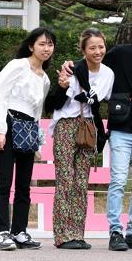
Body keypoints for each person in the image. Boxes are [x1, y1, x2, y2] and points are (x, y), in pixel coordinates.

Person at [58, 11, 132, 251]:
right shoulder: (120, 54)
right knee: (118, 181)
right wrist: (69, 66)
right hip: (120, 129)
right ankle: (115, 232)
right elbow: (91, 62)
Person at [0, 27, 56, 250]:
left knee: (24, 185)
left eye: (50, 44)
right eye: (42, 44)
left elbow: (37, 112)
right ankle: (2, 233)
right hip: (8, 123)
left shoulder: (45, 78)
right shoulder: (17, 66)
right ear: (31, 46)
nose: (46, 48)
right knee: (4, 181)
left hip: (28, 130)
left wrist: (37, 142)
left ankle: (20, 231)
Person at [49, 28, 114, 249]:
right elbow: (54, 104)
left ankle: (77, 233)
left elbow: (103, 103)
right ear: (83, 50)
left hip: (88, 128)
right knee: (66, 180)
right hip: (66, 125)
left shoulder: (108, 74)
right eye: (92, 47)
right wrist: (62, 84)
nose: (98, 51)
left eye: (101, 46)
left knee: (81, 183)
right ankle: (62, 235)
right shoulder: (73, 69)